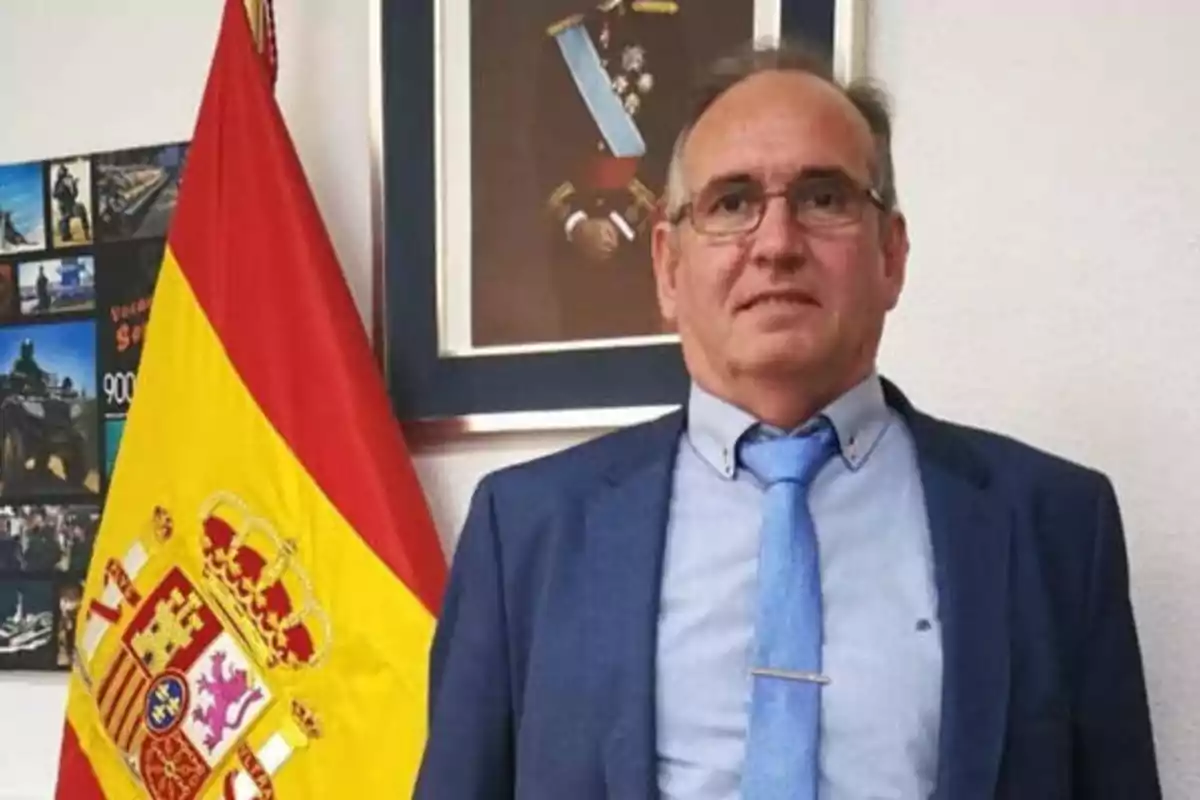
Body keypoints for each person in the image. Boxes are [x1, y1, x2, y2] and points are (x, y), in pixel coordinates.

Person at [415, 37, 1161, 799]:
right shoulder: (528, 533)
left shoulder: (1055, 527)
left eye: (824, 198)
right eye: (732, 202)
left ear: (891, 256)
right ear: (669, 267)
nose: (776, 244)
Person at [534, 0, 690, 340]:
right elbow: (543, 143)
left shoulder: (661, 27)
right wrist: (575, 223)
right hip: (575, 241)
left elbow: (676, 134)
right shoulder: (562, 39)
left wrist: (622, 222)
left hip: (641, 229)